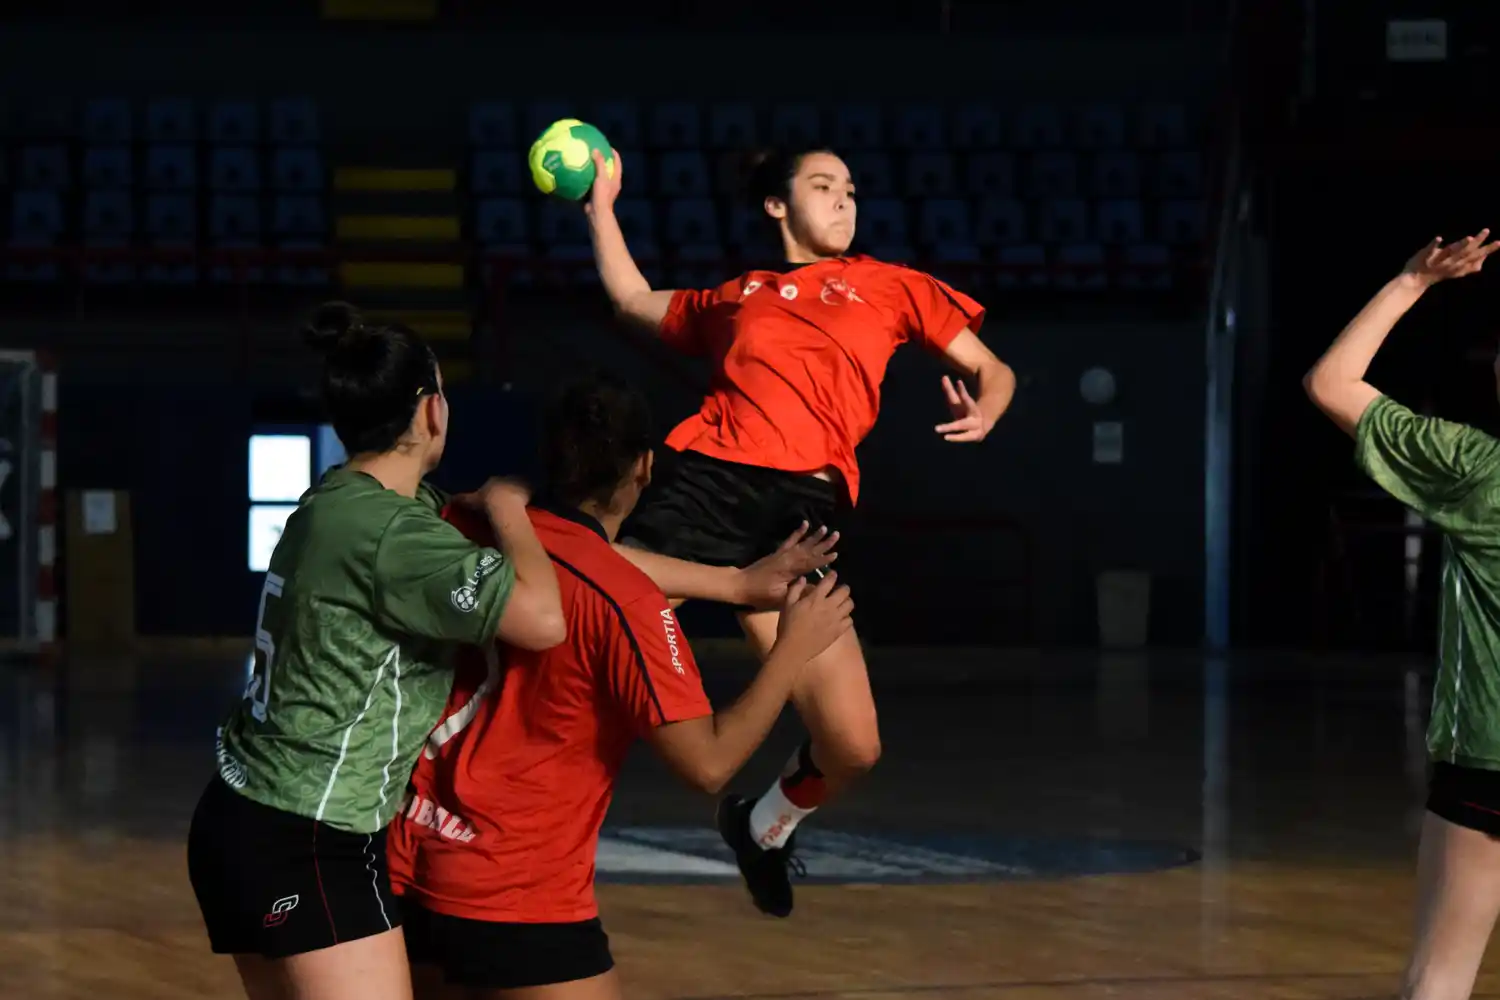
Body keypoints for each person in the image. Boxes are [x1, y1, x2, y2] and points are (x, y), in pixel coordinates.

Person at [584, 144, 1017, 916]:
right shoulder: (738, 296)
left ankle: (764, 826)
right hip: (707, 490)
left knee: (853, 746)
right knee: (580, 633)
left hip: (802, 517)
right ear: (777, 206)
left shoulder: (895, 286)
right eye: (823, 186)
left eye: (851, 188)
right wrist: (601, 207)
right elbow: (630, 297)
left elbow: (995, 368)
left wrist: (988, 407)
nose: (844, 201)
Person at [388, 373, 854, 998]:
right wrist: (791, 648)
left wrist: (738, 584)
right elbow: (709, 764)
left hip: (402, 867)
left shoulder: (459, 528)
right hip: (516, 890)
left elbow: (584, 557)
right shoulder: (628, 603)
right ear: (644, 468)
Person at [186, 303, 567, 1000]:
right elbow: (543, 619)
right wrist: (511, 509)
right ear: (431, 413)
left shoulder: (339, 499)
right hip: (306, 836)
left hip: (240, 815)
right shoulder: (394, 535)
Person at [1304, 230, 1500, 1000]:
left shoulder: (1474, 470)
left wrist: (1413, 282)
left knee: (1438, 978)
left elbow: (1332, 381)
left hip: (1486, 757)